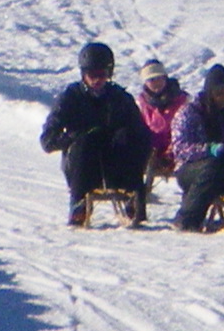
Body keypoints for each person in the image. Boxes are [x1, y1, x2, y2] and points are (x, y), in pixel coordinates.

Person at [39, 41, 150, 225]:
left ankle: (134, 197)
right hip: (83, 166)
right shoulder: (70, 97)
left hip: (115, 164)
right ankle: (79, 205)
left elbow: (142, 135)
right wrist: (73, 137)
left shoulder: (120, 98)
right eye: (92, 75)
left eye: (102, 74)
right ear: (83, 74)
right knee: (87, 141)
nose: (97, 80)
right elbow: (47, 141)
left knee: (132, 136)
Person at [169, 63, 224, 231]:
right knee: (212, 167)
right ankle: (187, 218)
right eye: (218, 93)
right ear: (209, 92)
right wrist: (209, 149)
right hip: (190, 169)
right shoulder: (189, 112)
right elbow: (180, 148)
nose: (223, 98)